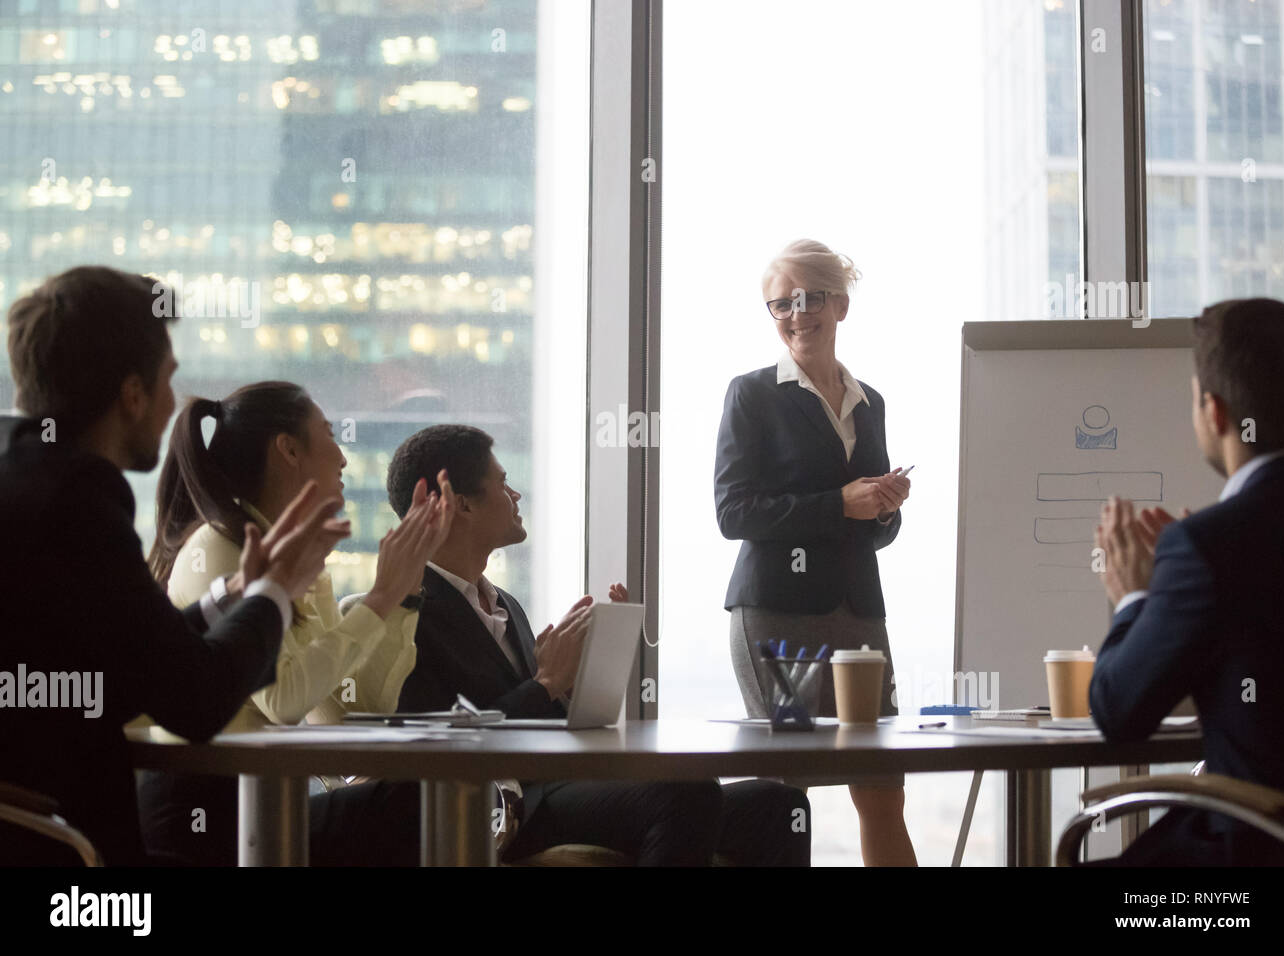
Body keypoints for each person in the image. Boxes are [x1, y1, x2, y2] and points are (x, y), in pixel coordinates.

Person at [0, 266, 347, 865]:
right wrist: (276, 593)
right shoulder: (78, 502)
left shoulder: (26, 482)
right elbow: (194, 701)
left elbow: (145, 664)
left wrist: (237, 594)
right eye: (167, 380)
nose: (172, 405)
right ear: (132, 395)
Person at [389, 424, 812, 866]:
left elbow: (540, 721)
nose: (516, 496)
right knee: (685, 792)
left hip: (555, 787)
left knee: (779, 807)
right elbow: (445, 748)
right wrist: (546, 683)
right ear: (462, 505)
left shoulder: (504, 605)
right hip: (501, 807)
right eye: (502, 483)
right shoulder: (409, 614)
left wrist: (580, 681)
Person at [136, 381, 454, 866]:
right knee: (421, 802)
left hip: (262, 804)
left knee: (424, 797)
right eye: (328, 434)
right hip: (207, 814)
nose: (344, 459)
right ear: (288, 449)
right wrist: (379, 599)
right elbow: (284, 699)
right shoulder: (220, 546)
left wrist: (402, 595)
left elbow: (338, 714)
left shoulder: (296, 560)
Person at [715, 239, 916, 866]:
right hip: (778, 613)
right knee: (788, 788)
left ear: (840, 304)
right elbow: (733, 512)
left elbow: (871, 531)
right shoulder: (752, 394)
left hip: (860, 613)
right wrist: (841, 503)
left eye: (809, 299)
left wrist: (884, 509)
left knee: (881, 784)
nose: (796, 315)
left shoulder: (870, 401)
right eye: (780, 304)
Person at [1090, 297, 1284, 867]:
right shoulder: (1208, 551)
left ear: (1215, 412)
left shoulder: (1209, 548)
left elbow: (1119, 712)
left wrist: (1135, 596)